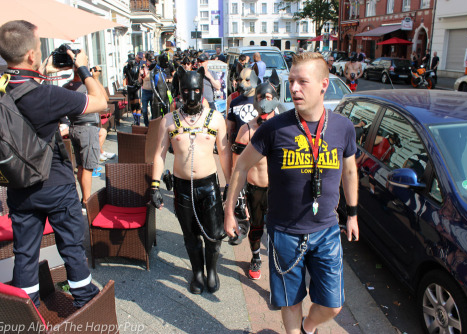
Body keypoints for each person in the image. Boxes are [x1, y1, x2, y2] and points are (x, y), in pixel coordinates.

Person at [224, 52, 359, 334]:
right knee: (290, 301)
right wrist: (229, 211)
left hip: (326, 231)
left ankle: (308, 328)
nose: (294, 88)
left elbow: (349, 172)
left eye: (302, 82)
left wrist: (353, 214)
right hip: (285, 232)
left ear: (324, 84)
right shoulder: (274, 128)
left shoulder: (343, 128)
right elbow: (240, 167)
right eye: (291, 81)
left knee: (333, 305)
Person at [0, 20, 106, 308]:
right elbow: (100, 101)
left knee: (25, 254)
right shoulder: (48, 95)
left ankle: (29, 310)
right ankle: (85, 302)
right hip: (56, 186)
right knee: (72, 249)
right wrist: (83, 68)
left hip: (18, 187)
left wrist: (43, 74)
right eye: (39, 48)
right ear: (30, 55)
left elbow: (17, 90)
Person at [151, 66, 231, 295]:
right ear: (180, 92)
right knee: (190, 234)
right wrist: (154, 186)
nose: (192, 95)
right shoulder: (168, 121)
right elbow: (159, 154)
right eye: (186, 91)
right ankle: (197, 272)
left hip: (209, 187)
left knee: (214, 234)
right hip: (182, 188)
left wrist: (231, 186)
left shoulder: (215, 119)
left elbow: (224, 153)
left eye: (196, 90)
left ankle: (212, 271)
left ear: (202, 90)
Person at [231, 78, 280, 280]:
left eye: (268, 97)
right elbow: (237, 166)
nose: (264, 101)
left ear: (275, 99)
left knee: (279, 231)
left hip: (278, 190)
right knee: (256, 227)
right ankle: (255, 256)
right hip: (255, 189)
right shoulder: (247, 130)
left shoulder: (284, 127)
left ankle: (279, 260)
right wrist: (237, 195)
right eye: (261, 98)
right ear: (255, 101)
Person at [63, 65, 108, 210]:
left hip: (75, 127)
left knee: (81, 167)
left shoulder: (66, 86)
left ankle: (83, 197)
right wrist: (95, 79)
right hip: (87, 129)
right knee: (88, 168)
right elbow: (104, 101)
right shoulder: (86, 87)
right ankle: (87, 202)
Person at [150, 52, 173, 118]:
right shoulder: (153, 72)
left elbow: (165, 85)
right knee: (157, 119)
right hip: (157, 100)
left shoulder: (163, 71)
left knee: (167, 118)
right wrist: (160, 99)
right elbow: (153, 88)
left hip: (165, 98)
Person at [123, 53, 142, 125]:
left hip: (136, 87)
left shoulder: (137, 66)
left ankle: (138, 121)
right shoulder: (126, 68)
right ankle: (135, 120)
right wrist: (124, 87)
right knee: (133, 105)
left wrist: (139, 82)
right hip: (130, 87)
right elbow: (125, 78)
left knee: (137, 105)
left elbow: (140, 76)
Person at [139, 53, 154, 126]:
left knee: (152, 109)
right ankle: (146, 123)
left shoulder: (153, 68)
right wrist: (140, 74)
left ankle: (151, 124)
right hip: (145, 91)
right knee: (144, 110)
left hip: (152, 91)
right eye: (150, 61)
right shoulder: (143, 68)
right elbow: (139, 81)